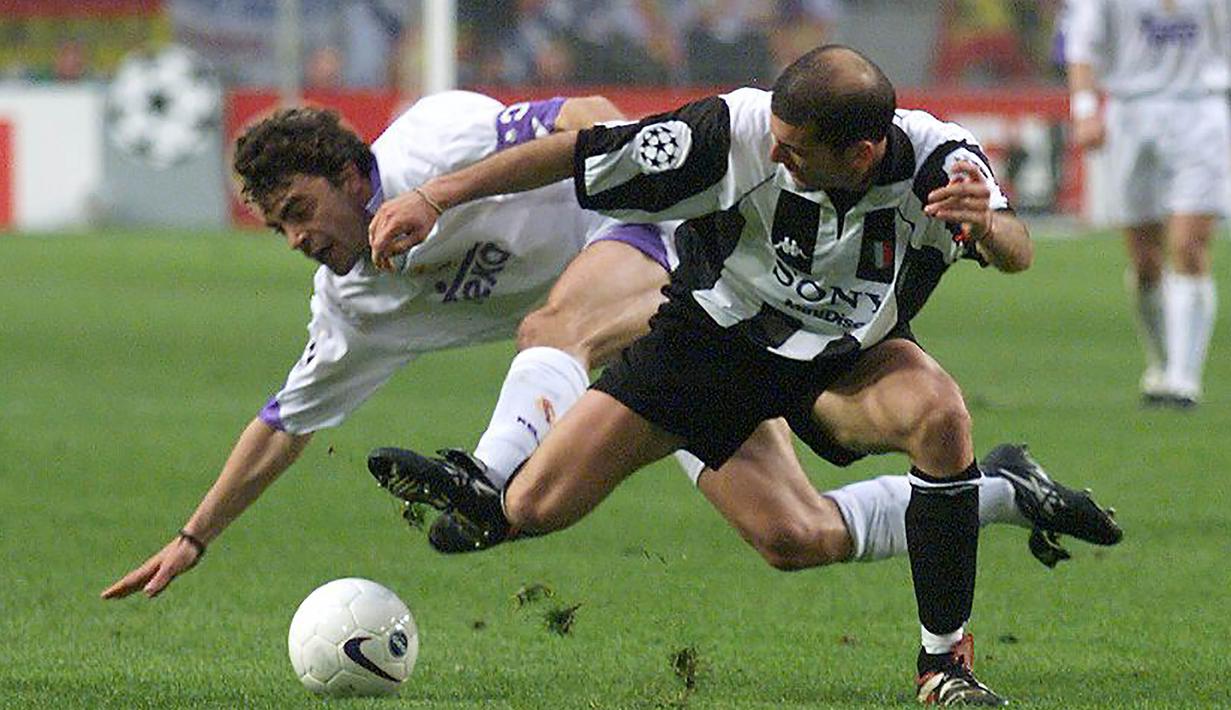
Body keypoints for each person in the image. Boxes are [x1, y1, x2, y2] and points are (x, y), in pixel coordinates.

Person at [99, 89, 1121, 613]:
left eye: (297, 209)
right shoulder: (353, 298)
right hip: (678, 352)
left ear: (349, 171)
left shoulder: (432, 143)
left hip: (668, 248)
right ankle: (1002, 490)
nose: (294, 237)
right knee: (794, 534)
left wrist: (472, 194)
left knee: (556, 326)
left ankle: (486, 472)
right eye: (276, 225)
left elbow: (588, 119)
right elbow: (285, 422)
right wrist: (195, 536)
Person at [365, 45, 1091, 705]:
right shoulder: (732, 132)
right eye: (776, 137)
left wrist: (989, 227)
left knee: (939, 413)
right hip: (707, 347)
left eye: (795, 149)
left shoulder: (940, 162)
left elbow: (1016, 249)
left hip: (844, 363)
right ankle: (1001, 490)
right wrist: (436, 197)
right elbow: (578, 152)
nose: (775, 153)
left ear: (861, 154)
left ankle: (943, 664)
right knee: (543, 510)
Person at [1065, 0, 1230, 408]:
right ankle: (1162, 364)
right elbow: (1082, 44)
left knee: (1189, 245)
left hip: (1200, 109)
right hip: (1130, 112)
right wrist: (1085, 110)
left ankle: (1183, 380)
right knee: (1145, 260)